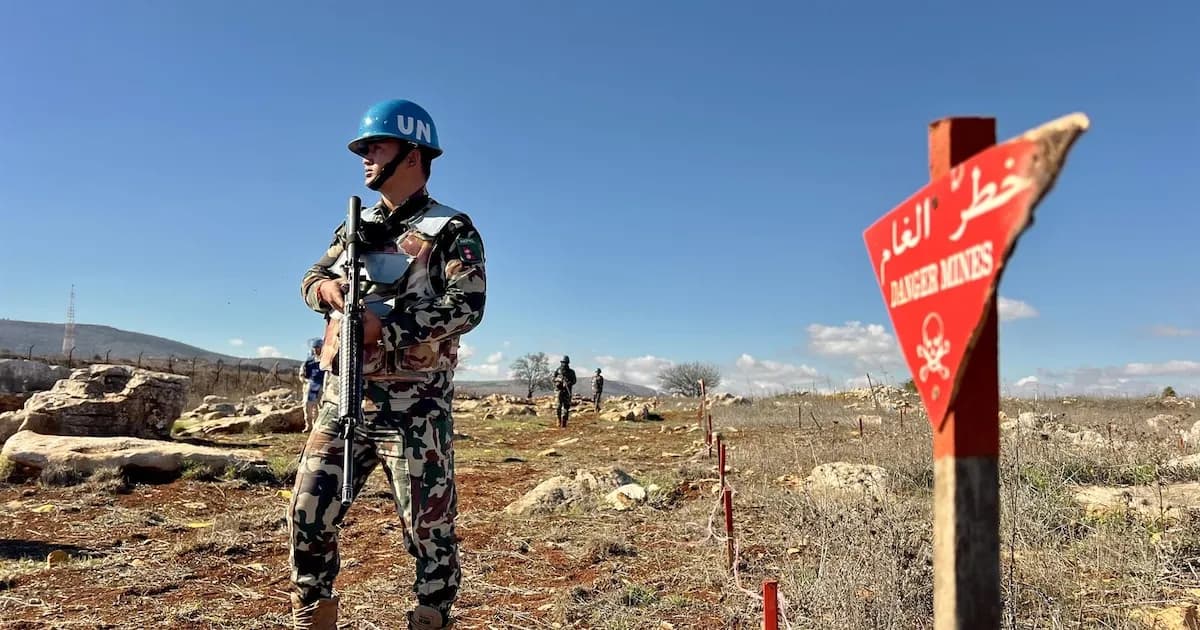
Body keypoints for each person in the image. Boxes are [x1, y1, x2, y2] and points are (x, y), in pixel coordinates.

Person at [287, 98, 486, 630]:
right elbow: (311, 276)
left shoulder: (451, 229)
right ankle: (313, 614)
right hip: (344, 397)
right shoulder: (356, 225)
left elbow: (467, 306)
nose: (365, 157)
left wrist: (388, 326)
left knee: (428, 529)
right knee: (307, 513)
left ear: (413, 154)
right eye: (364, 148)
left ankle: (430, 617)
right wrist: (325, 290)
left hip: (415, 406)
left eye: (376, 146)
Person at [298, 339, 324, 432]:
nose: (316, 350)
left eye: (318, 347)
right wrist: (306, 381)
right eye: (314, 348)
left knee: (321, 407)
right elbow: (302, 375)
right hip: (310, 386)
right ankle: (308, 426)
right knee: (307, 406)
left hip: (323, 387)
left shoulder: (326, 360)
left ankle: (318, 426)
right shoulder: (308, 362)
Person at [552, 356, 576, 428]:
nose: (564, 364)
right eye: (563, 362)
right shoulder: (558, 370)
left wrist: (569, 383)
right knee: (558, 406)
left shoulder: (571, 372)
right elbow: (553, 378)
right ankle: (558, 419)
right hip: (558, 390)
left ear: (568, 363)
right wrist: (558, 381)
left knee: (566, 407)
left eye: (565, 363)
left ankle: (564, 421)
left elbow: (574, 380)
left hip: (567, 391)